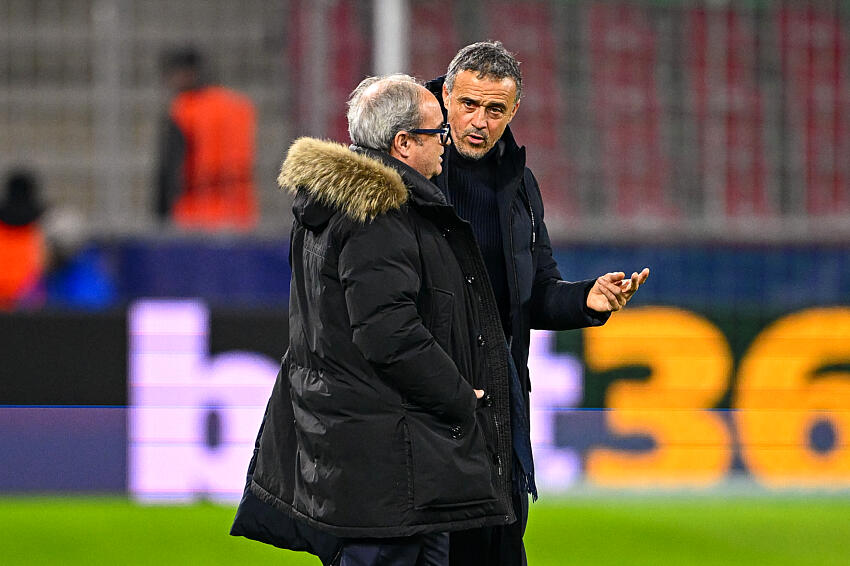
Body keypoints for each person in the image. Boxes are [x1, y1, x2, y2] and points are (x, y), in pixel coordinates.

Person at [232, 74, 517, 566]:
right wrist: (459, 396)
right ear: (403, 143)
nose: (446, 142)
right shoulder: (379, 214)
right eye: (437, 132)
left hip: (369, 451)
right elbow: (389, 333)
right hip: (388, 464)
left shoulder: (331, 206)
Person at [423, 41, 650, 566]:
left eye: (495, 109)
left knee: (499, 547)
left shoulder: (519, 182)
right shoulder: (414, 169)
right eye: (468, 104)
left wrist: (588, 298)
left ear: (514, 111)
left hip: (501, 403)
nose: (479, 121)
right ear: (446, 96)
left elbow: (536, 292)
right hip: (430, 401)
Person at [155, 47, 257, 231]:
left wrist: (160, 218)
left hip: (194, 216)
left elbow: (169, 170)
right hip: (239, 216)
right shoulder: (239, 107)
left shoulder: (183, 111)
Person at [0, 169, 48, 309]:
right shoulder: (39, 226)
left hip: (26, 294)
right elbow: (42, 261)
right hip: (27, 294)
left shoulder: (37, 227)